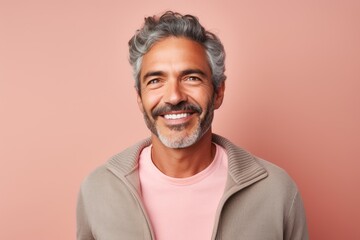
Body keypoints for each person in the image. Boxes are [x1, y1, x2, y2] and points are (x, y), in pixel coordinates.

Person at [77, 11, 308, 240]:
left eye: (191, 78)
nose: (174, 97)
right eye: (156, 81)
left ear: (218, 92)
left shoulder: (277, 191)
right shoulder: (99, 189)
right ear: (140, 97)